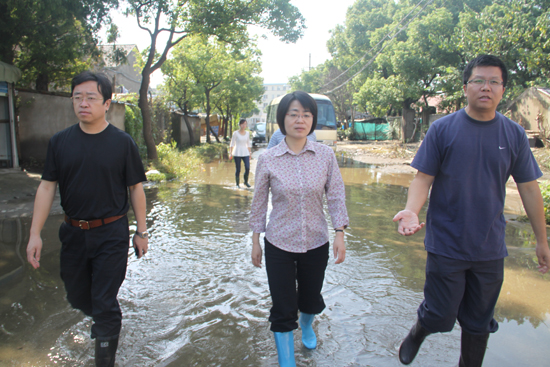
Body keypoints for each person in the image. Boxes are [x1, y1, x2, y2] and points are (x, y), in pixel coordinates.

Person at [393, 55, 550, 366]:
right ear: (466, 87)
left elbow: (529, 188)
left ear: (503, 89)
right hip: (447, 242)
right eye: (479, 80)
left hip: (490, 245)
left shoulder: (514, 134)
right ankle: (420, 329)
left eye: (494, 82)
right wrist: (412, 210)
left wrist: (541, 240)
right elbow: (422, 178)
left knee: (479, 323)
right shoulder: (443, 129)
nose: (486, 87)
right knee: (440, 315)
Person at [26, 71, 148, 367]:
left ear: (106, 103)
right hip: (73, 233)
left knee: (104, 302)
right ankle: (105, 322)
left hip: (111, 233)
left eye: (91, 97)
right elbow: (46, 187)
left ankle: (105, 355)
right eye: (77, 97)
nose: (83, 103)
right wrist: (35, 234)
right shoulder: (60, 142)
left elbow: (136, 188)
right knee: (78, 295)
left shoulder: (122, 143)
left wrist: (141, 232)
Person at [249, 91, 348, 366]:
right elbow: (258, 203)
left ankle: (306, 325)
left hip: (316, 241)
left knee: (310, 297)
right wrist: (255, 241)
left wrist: (340, 232)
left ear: (312, 119)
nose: (300, 120)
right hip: (279, 242)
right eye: (293, 114)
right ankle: (286, 361)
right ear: (283, 119)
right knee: (282, 306)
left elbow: (336, 196)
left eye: (306, 114)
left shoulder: (325, 156)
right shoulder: (268, 159)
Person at [229, 119, 252, 187]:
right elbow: (232, 143)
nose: (244, 125)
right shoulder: (235, 133)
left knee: (247, 167)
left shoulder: (247, 133)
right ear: (240, 125)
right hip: (237, 152)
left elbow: (248, 143)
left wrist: (250, 152)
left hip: (245, 152)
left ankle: (245, 182)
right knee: (238, 169)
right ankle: (237, 184)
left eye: (245, 124)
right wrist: (230, 153)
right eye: (242, 124)